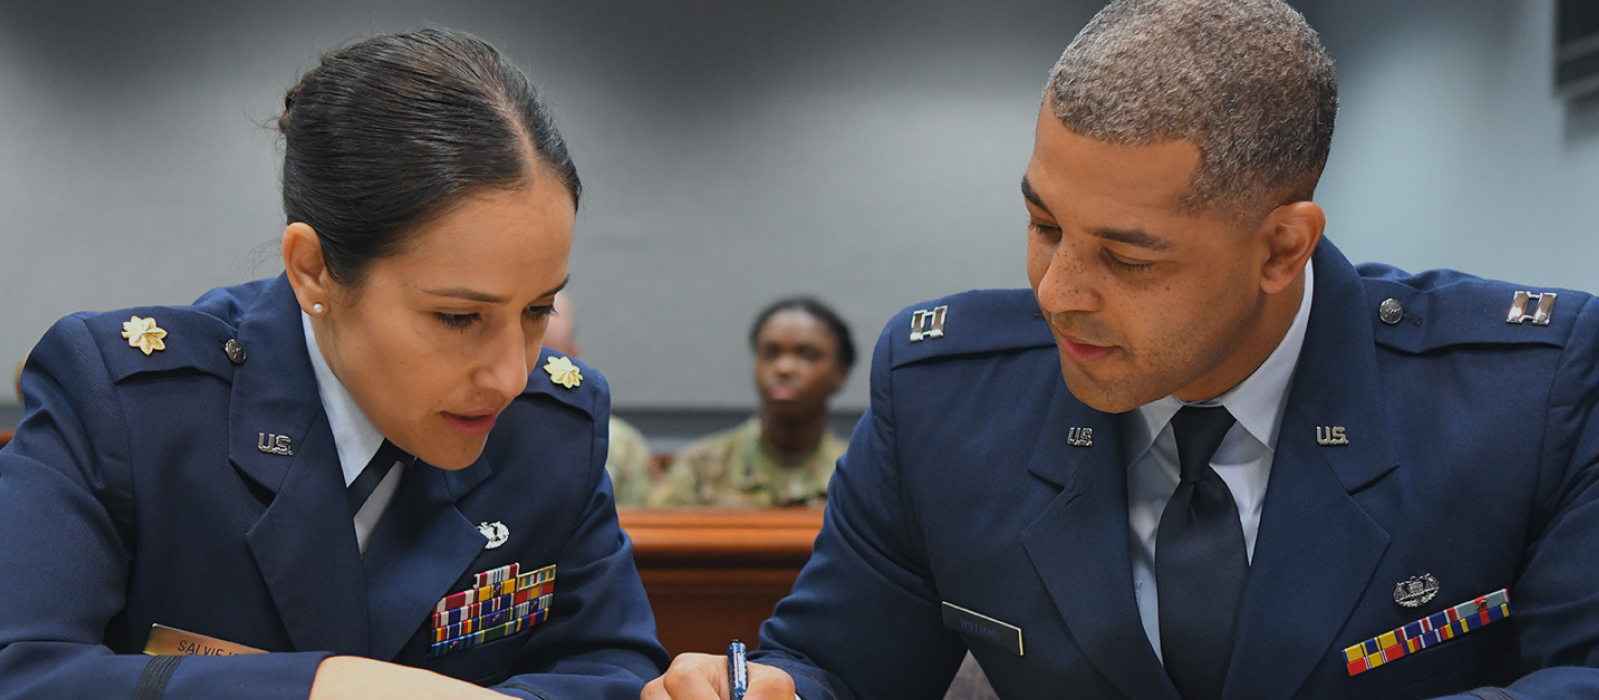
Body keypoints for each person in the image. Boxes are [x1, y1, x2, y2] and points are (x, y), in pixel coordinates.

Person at [644, 2, 1599, 699]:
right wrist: (773, 689)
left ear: (1281, 248)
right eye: (1043, 225)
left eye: (1128, 258)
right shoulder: (942, 395)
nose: (1057, 293)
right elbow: (839, 666)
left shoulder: (1525, 395)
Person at [0, 29, 667, 700]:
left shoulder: (554, 429)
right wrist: (327, 687)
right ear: (312, 269)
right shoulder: (129, 406)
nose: (510, 377)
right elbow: (23, 670)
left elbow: (611, 668)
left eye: (538, 309)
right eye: (458, 317)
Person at [647, 298, 854, 508]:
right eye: (770, 353)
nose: (784, 368)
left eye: (807, 355)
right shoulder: (701, 467)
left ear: (840, 372)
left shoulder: (857, 473)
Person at [539, 292, 660, 506]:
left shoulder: (620, 447)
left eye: (547, 363)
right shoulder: (477, 431)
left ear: (572, 358)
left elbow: (644, 523)